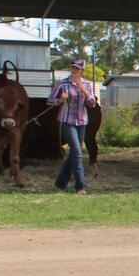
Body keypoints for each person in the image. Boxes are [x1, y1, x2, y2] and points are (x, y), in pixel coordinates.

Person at [47, 58, 97, 195]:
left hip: (81, 122)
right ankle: (80, 186)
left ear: (82, 70)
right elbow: (50, 100)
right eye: (73, 68)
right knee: (77, 151)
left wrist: (85, 92)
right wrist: (61, 100)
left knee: (74, 153)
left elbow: (92, 104)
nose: (74, 71)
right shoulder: (62, 84)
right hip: (66, 121)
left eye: (77, 69)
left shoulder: (87, 84)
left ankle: (60, 183)